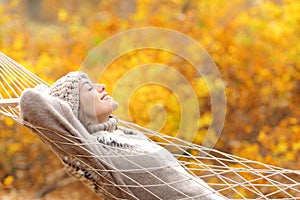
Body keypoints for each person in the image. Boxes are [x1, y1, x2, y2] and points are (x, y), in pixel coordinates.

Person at [20, 71, 227, 200]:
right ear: (73, 110)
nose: (102, 86)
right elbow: (32, 102)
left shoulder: (125, 135)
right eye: (88, 87)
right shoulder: (94, 154)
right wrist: (55, 96)